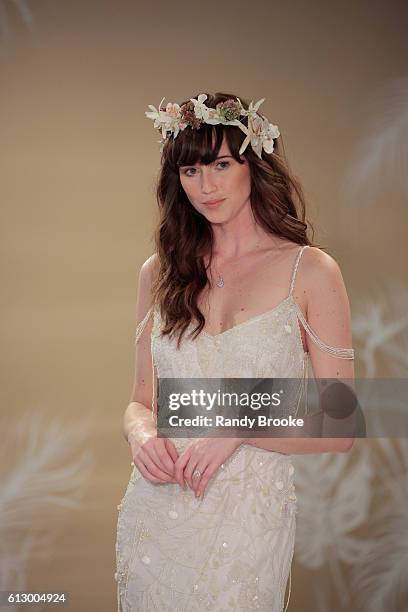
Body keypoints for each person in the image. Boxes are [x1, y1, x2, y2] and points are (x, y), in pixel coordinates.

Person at [115, 92, 355, 611]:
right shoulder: (159, 272)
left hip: (246, 523)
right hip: (155, 510)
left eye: (222, 164)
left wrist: (239, 425)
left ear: (254, 163)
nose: (207, 186)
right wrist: (140, 434)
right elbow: (141, 398)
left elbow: (342, 423)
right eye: (191, 171)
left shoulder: (309, 271)